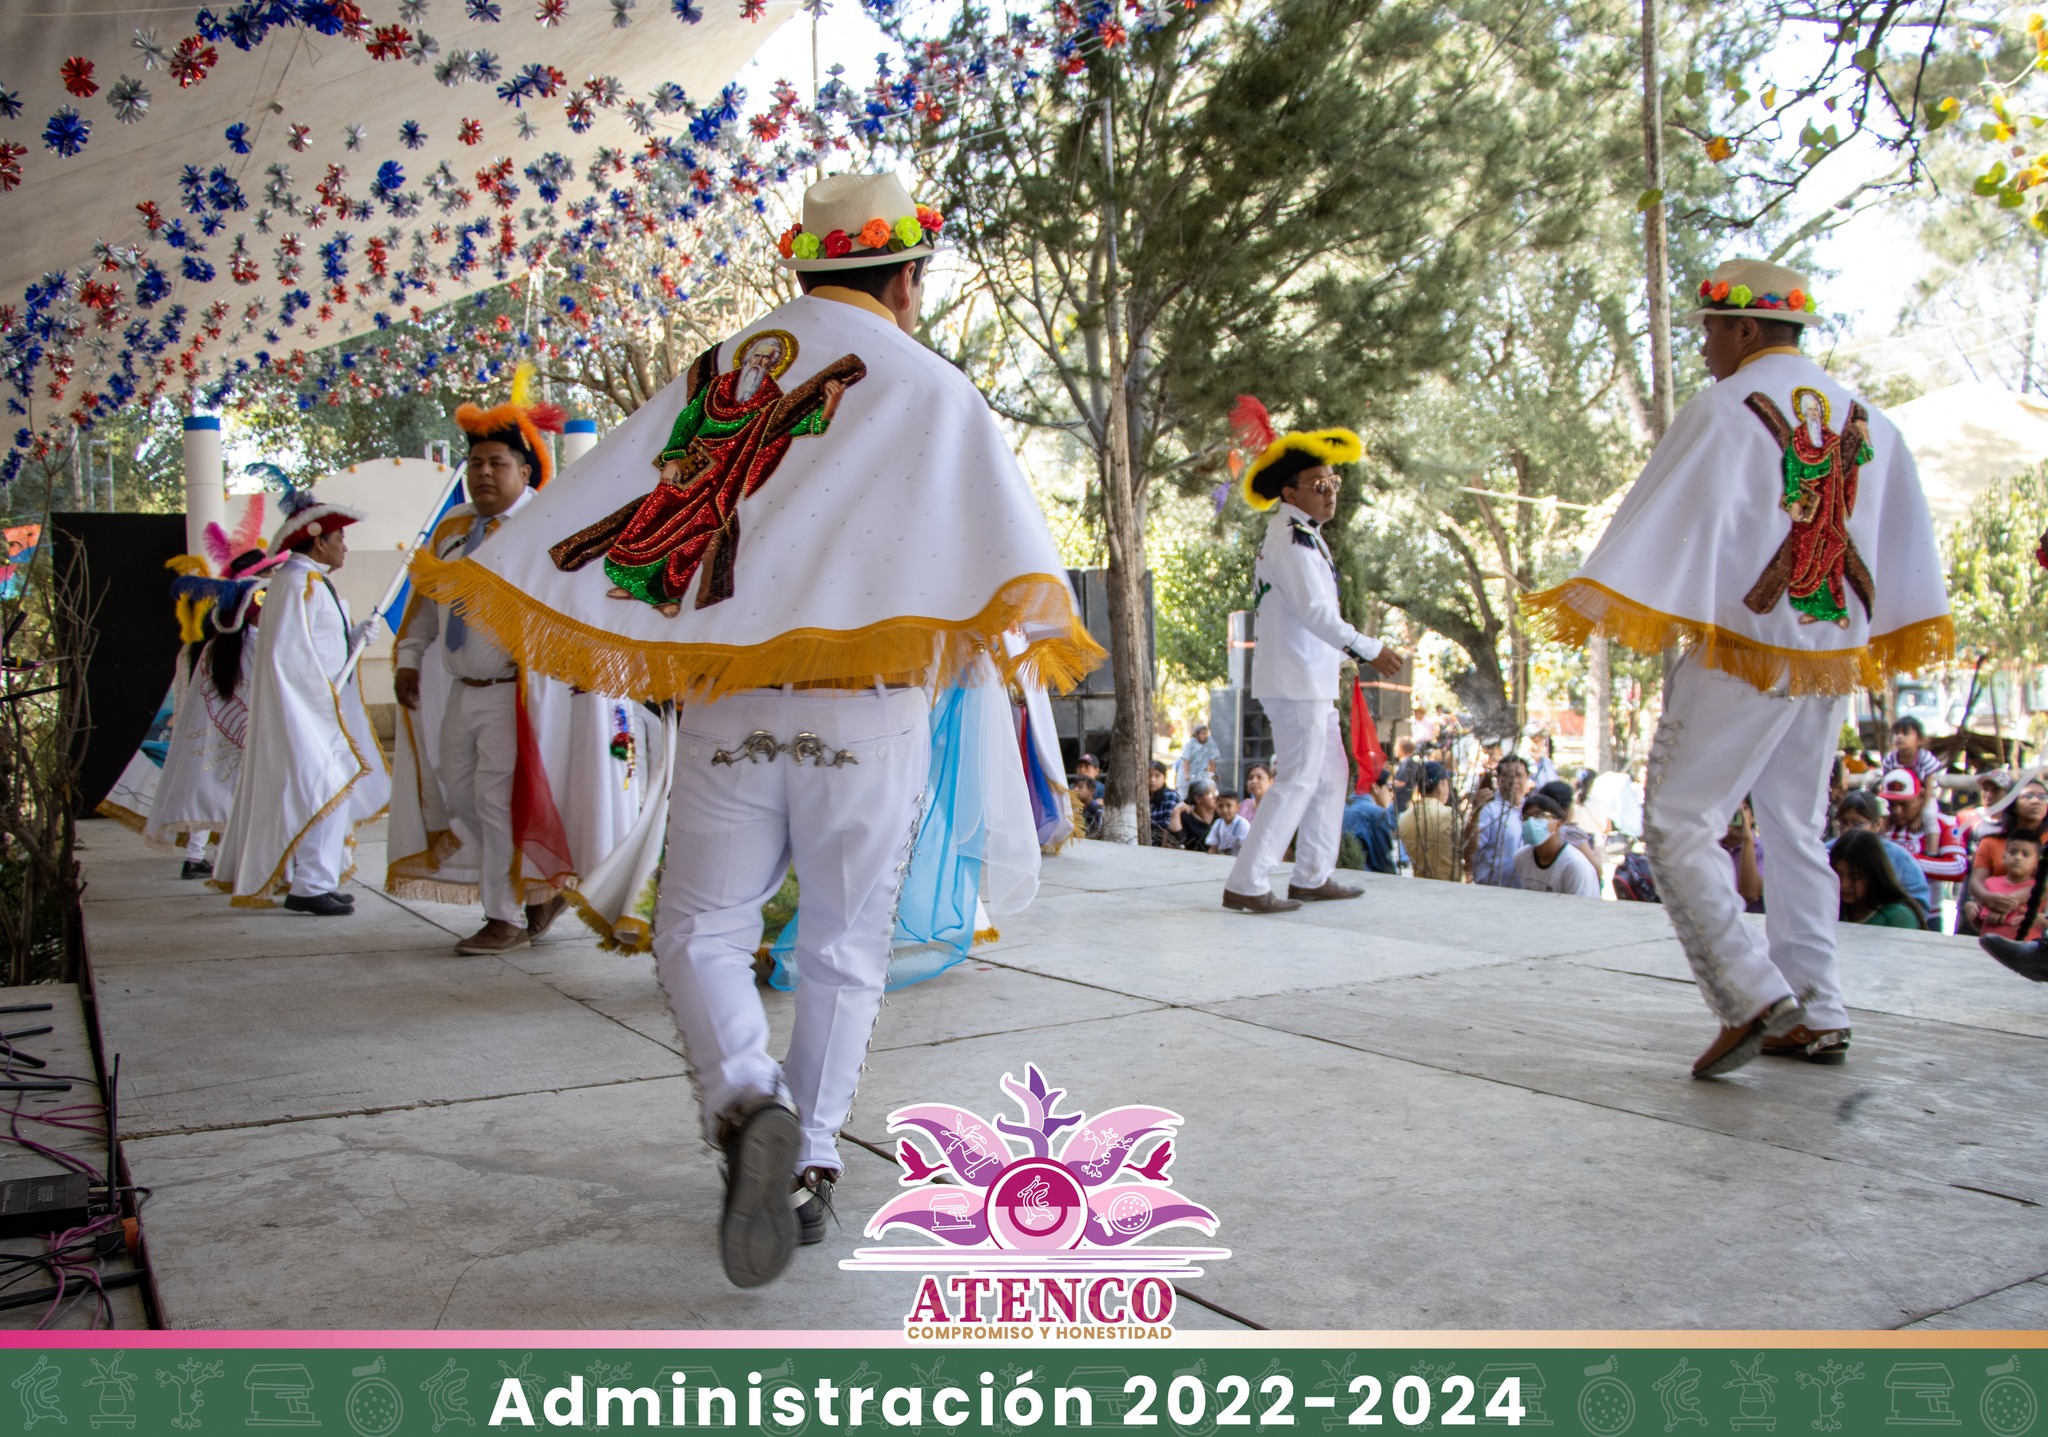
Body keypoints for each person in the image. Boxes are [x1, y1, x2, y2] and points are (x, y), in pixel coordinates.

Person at [409, 171, 1100, 1289]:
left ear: (805, 268)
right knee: (840, 944)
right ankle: (811, 1160)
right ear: (907, 279)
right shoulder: (929, 385)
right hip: (867, 716)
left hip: (730, 709)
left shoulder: (722, 368)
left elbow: (621, 487)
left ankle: (745, 1098)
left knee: (697, 930)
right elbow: (1004, 564)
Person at [1522, 258, 1953, 1076]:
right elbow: (1900, 546)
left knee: (1679, 819)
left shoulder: (1724, 412)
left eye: (1713, 331)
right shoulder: (1874, 421)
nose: (1708, 347)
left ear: (1747, 326)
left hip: (1742, 649)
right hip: (1828, 654)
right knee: (1794, 827)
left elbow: (1672, 523)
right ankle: (1817, 1007)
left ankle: (1751, 992)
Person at [391, 368, 583, 954]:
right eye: (475, 464)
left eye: (496, 463)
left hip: (516, 693)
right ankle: (537, 892)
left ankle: (504, 918)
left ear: (525, 471)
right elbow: (427, 605)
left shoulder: (547, 528)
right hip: (460, 690)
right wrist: (407, 656)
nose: (483, 473)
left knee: (497, 802)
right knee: (458, 795)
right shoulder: (451, 530)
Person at [1217, 396, 1403, 914]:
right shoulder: (1292, 541)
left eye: (1333, 485)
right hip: (1296, 680)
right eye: (1319, 486)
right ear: (1289, 492)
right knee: (1300, 777)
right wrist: (1370, 649)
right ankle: (1248, 882)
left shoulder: (1305, 538)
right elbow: (1318, 615)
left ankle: (1312, 874)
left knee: (1329, 775)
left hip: (1309, 680)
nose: (1329, 494)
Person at [212, 484, 391, 914]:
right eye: (339, 539)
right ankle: (308, 886)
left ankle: (317, 879)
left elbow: (318, 647)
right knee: (320, 792)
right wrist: (320, 701)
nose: (344, 547)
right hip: (308, 712)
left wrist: (353, 639)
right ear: (318, 540)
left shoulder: (312, 582)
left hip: (322, 708)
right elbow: (288, 657)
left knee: (330, 793)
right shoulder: (296, 584)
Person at [148, 505, 280, 878]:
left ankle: (197, 855)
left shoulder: (213, 645)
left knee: (209, 785)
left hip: (215, 733)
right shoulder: (248, 643)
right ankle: (229, 856)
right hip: (238, 732)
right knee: (236, 790)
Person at [1876, 769, 1966, 930]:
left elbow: (1958, 868)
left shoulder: (1943, 824)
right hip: (1881, 912)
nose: (1897, 811)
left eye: (1904, 804)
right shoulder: (1878, 823)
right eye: (1891, 804)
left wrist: (1902, 859)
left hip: (1928, 915)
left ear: (1922, 796)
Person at [1961, 774, 2045, 936]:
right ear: (2012, 802)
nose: (2037, 801)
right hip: (1990, 921)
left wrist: (2005, 903)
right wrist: (1987, 899)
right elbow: (1976, 881)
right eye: (2029, 796)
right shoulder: (1991, 842)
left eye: (2043, 797)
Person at [1829, 790, 1933, 917]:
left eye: (1857, 824)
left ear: (1877, 825)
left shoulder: (1899, 858)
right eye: (1843, 823)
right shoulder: (1827, 852)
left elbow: (1919, 906)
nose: (1848, 829)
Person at [1832, 829, 1926, 932]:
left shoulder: (1898, 916)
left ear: (1874, 873)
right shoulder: (1832, 908)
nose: (1844, 884)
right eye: (1838, 875)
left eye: (1855, 877)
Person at [1512, 793, 1601, 897]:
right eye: (1526, 817)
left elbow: (1579, 910)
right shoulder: (1521, 858)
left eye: (1540, 815)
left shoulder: (1575, 866)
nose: (1531, 821)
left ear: (1558, 824)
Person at [1964, 830, 2045, 943]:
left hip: (2024, 953)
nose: (2018, 857)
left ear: (2037, 863)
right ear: (2004, 857)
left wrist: (2039, 920)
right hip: (1990, 949)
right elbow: (1983, 925)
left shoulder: (2042, 890)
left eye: (2025, 854)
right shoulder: (1989, 884)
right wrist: (1971, 908)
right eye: (2013, 852)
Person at [1465, 754, 1530, 888]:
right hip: (1494, 891)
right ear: (1498, 779)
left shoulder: (1532, 810)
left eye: (1519, 775)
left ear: (1527, 778)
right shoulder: (1489, 810)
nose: (1514, 781)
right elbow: (1470, 850)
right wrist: (1475, 815)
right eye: (1507, 776)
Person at [1398, 760, 1459, 881]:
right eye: (1447, 783)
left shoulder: (1404, 817)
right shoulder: (1449, 816)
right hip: (1449, 888)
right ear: (1441, 786)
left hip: (1420, 884)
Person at [1537, 777, 1602, 880]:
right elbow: (1596, 871)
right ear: (1565, 809)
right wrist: (1598, 854)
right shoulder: (1570, 834)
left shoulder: (1536, 831)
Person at [1341, 773, 1399, 875]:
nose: (1392, 795)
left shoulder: (1342, 803)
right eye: (1389, 788)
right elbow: (1385, 864)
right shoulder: (1377, 813)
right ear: (1375, 787)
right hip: (1362, 878)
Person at [1719, 800, 1765, 914]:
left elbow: (1750, 894)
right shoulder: (1710, 845)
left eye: (1741, 810)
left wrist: (1747, 840)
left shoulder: (1764, 850)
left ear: (1754, 816)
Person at [1883, 716, 1943, 792]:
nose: (1899, 737)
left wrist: (1927, 803)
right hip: (1896, 796)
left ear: (1920, 740)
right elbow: (1886, 783)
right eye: (1896, 733)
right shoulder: (1890, 760)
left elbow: (1930, 787)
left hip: (1921, 797)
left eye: (1905, 734)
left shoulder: (1925, 759)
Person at [1165, 779, 1221, 851]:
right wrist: (1176, 811)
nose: (1215, 797)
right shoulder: (1186, 817)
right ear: (1198, 798)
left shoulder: (1221, 815)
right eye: (1210, 794)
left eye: (1215, 792)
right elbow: (1176, 841)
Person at [1178, 722, 1220, 793]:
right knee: (1186, 794)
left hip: (1201, 775)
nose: (1205, 735)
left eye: (1206, 733)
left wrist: (1211, 775)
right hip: (1189, 775)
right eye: (1202, 733)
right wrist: (1187, 774)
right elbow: (1186, 760)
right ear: (1197, 734)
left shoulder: (1210, 744)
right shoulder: (1190, 744)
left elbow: (1212, 760)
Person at [1147, 761, 1181, 847]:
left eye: (1157, 775)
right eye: (1149, 775)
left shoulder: (1170, 795)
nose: (1152, 780)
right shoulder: (1141, 796)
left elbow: (1167, 824)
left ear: (1164, 777)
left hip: (1161, 844)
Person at [1207, 791, 1250, 857]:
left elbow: (1246, 850)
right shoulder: (1217, 824)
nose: (1224, 810)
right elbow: (1213, 848)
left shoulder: (1243, 825)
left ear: (1237, 807)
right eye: (1220, 806)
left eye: (1229, 806)